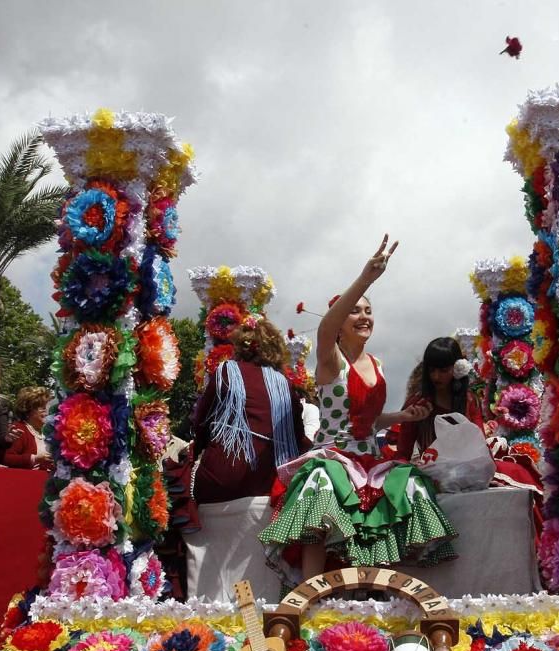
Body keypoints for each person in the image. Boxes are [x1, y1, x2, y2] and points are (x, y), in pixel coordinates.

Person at [259, 234, 456, 580]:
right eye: (354, 311)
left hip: (369, 457)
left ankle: (372, 589)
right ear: (340, 323)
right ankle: (311, 589)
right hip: (334, 455)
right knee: (320, 484)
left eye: (368, 310)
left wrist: (401, 417)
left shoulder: (378, 364)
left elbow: (368, 420)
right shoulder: (330, 360)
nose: (364, 316)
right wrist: (366, 278)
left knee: (404, 485)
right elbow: (325, 327)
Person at [191, 317, 308, 503]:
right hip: (271, 483)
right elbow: (298, 438)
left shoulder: (226, 371)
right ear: (275, 349)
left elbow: (201, 423)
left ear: (240, 346)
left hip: (220, 478)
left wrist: (193, 455)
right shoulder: (285, 385)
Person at [394, 337, 483, 461]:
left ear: (458, 367)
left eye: (443, 370)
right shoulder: (417, 404)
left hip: (468, 472)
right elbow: (403, 453)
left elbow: (481, 446)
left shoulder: (470, 401)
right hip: (431, 473)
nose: (436, 376)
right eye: (432, 370)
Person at [3, 386, 54, 471]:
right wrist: (35, 458)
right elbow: (7, 459)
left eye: (48, 408)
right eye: (43, 408)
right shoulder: (19, 429)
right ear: (29, 410)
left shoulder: (51, 431)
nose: (47, 412)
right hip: (27, 481)